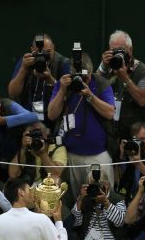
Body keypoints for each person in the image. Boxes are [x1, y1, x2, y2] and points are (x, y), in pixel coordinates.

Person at [47, 52, 116, 200]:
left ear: (91, 71)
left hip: (98, 155)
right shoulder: (63, 84)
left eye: (87, 76)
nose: (84, 80)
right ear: (71, 73)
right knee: (76, 198)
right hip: (72, 155)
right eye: (79, 76)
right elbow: (51, 114)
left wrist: (90, 95)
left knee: (103, 197)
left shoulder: (100, 83)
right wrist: (62, 91)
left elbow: (110, 113)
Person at [97, 30, 145, 139]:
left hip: (134, 131)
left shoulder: (142, 71)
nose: (118, 53)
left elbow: (142, 100)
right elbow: (94, 86)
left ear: (130, 50)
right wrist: (103, 66)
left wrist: (125, 79)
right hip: (111, 130)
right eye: (114, 50)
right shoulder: (108, 67)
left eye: (121, 50)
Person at [7, 33, 71, 127]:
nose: (44, 57)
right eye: (39, 53)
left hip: (55, 119)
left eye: (48, 52)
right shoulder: (26, 62)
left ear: (54, 47)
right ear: (32, 51)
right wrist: (23, 69)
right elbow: (12, 93)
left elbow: (68, 97)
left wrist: (50, 79)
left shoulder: (63, 63)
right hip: (29, 119)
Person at [115, 121, 145, 196]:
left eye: (143, 139)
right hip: (127, 195)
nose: (140, 144)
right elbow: (118, 179)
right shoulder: (130, 152)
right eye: (137, 141)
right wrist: (121, 155)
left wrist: (139, 164)